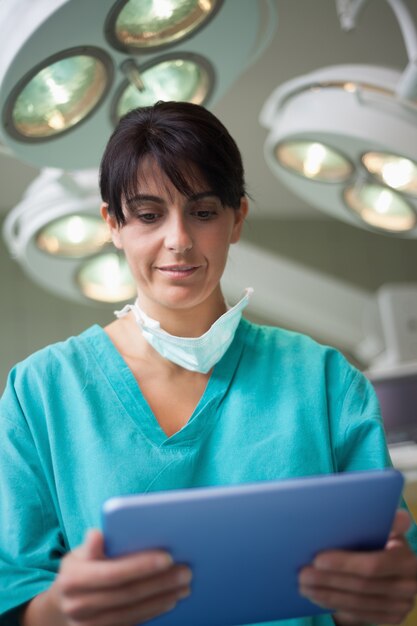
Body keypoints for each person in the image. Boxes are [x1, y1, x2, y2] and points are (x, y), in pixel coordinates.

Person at [1, 101, 417, 626]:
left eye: (202, 212)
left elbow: (380, 587)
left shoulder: (325, 384)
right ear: (113, 223)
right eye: (149, 215)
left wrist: (377, 597)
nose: (178, 240)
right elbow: (13, 588)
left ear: (236, 218)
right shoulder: (40, 393)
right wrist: (60, 609)